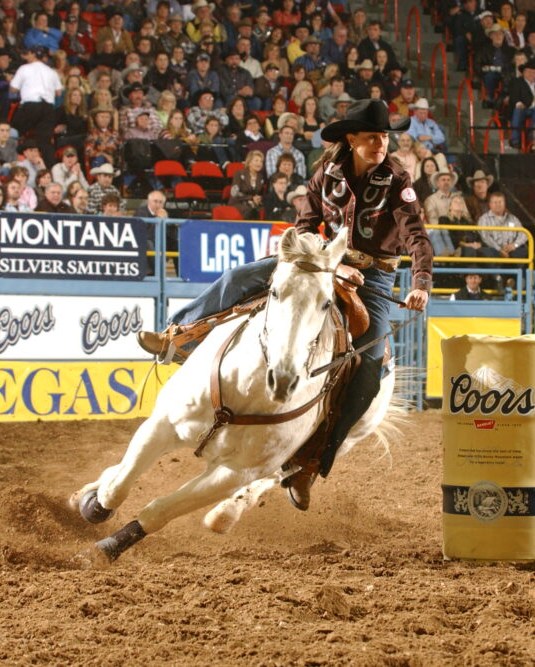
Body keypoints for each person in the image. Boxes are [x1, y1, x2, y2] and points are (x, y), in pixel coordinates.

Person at [135, 100, 431, 511]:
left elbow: (416, 235)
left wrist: (421, 282)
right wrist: (328, 263)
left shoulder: (398, 180)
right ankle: (179, 334)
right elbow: (306, 224)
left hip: (375, 276)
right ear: (352, 139)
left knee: (370, 364)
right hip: (318, 261)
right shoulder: (325, 174)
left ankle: (310, 462)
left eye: (384, 137)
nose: (381, 143)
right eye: (372, 137)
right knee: (238, 278)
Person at [10, 45, 62, 165]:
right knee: (45, 142)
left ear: (33, 54)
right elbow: (58, 92)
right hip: (48, 108)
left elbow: (13, 89)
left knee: (16, 131)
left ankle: (14, 161)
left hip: (30, 106)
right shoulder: (51, 71)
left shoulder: (24, 68)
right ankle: (49, 169)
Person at [477, 192, 528, 260]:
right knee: (489, 253)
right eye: (495, 202)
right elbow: (485, 237)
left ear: (504, 204)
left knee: (523, 252)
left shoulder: (513, 218)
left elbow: (524, 234)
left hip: (511, 250)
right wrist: (500, 250)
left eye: (500, 202)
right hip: (493, 250)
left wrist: (514, 245)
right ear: (490, 204)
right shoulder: (484, 219)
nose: (498, 205)